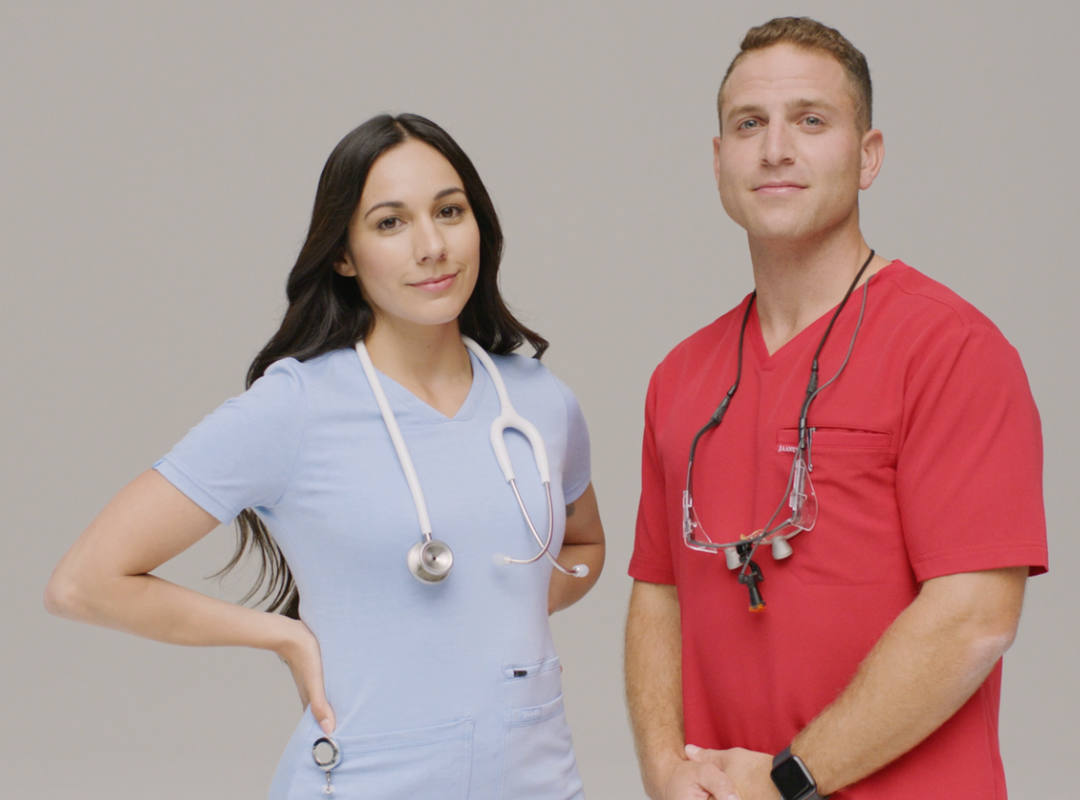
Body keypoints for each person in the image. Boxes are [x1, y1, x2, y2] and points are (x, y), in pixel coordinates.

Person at [45, 113, 605, 799]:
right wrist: (283, 638)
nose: (432, 245)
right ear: (343, 255)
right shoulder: (296, 409)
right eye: (390, 223)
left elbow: (584, 543)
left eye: (450, 211)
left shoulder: (539, 402)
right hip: (368, 779)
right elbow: (84, 583)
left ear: (479, 225)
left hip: (536, 780)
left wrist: (496, 623)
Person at [624, 17, 1046, 800]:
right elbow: (660, 591)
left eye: (811, 121)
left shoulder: (950, 348)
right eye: (749, 125)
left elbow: (976, 615)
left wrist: (790, 781)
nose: (775, 148)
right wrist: (664, 769)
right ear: (720, 162)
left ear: (868, 155)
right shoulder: (680, 377)